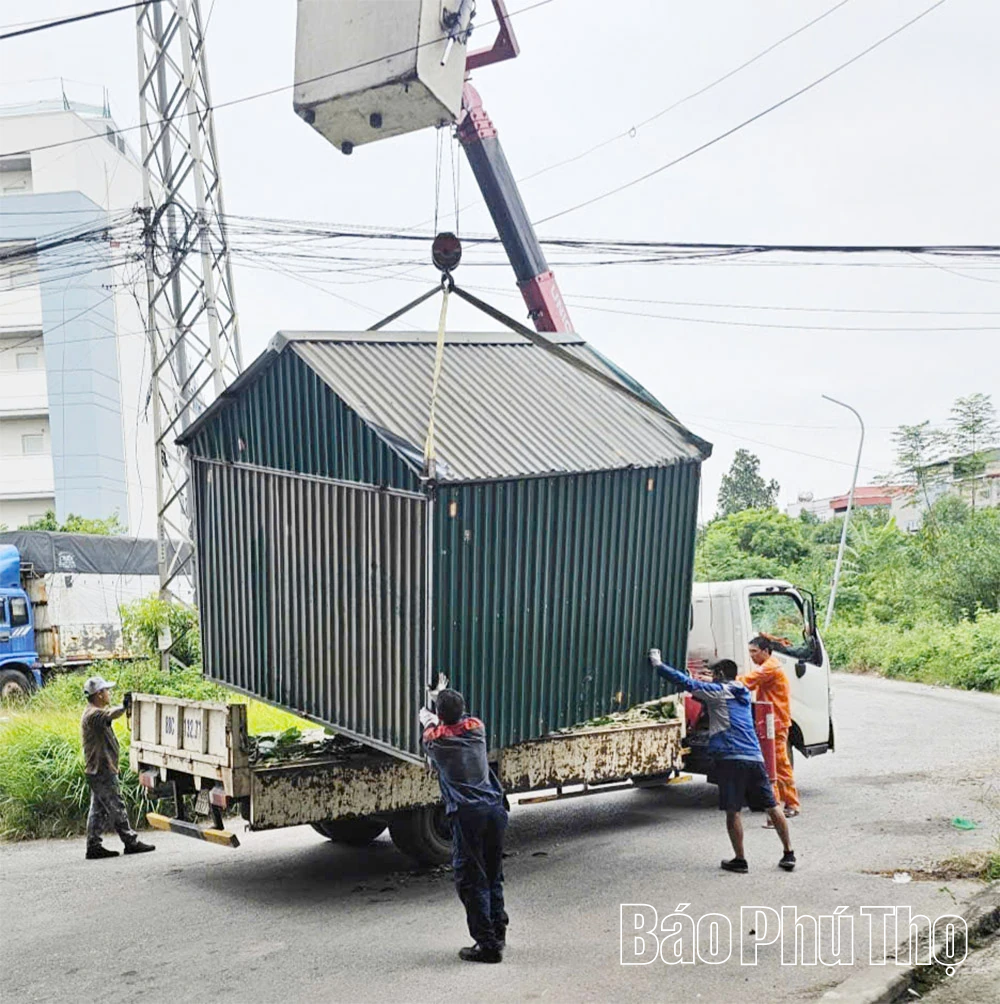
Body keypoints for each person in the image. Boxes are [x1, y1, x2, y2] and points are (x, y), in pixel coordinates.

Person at [648, 650, 796, 873]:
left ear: (719, 674)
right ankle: (789, 853)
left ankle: (740, 859)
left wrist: (659, 665)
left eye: (713, 673)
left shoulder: (717, 693)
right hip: (754, 756)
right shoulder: (742, 691)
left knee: (733, 810)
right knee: (772, 806)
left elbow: (686, 683)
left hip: (730, 758)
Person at [420, 688, 508, 963]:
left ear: (441, 717)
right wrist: (440, 701)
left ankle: (487, 946)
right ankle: (498, 933)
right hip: (495, 810)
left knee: (471, 879)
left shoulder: (437, 743)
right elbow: (456, 720)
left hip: (469, 815)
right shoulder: (477, 729)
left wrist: (429, 710)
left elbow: (431, 726)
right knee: (493, 874)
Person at [81, 675, 154, 861]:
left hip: (98, 768)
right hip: (101, 769)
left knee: (97, 809)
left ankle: (93, 846)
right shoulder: (94, 714)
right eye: (106, 690)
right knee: (116, 805)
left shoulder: (92, 713)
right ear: (98, 695)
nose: (108, 693)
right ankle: (130, 841)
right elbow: (110, 714)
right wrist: (124, 707)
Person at [741, 636, 800, 819]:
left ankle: (791, 803)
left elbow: (747, 682)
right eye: (749, 651)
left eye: (754, 651)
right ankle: (775, 802)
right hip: (770, 722)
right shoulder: (769, 665)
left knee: (779, 765)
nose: (751, 655)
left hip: (775, 722)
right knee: (772, 764)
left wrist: (720, 681)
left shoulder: (769, 668)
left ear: (765, 651)